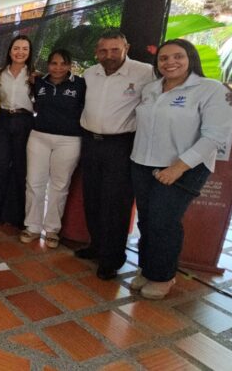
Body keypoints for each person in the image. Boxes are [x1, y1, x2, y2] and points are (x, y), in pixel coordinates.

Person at [130, 39, 232, 299]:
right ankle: (148, 266)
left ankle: (163, 276)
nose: (170, 62)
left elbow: (215, 136)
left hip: (185, 167)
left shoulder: (210, 89)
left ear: (191, 58)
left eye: (178, 56)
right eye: (164, 58)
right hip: (143, 162)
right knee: (147, 219)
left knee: (164, 221)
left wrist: (178, 167)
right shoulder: (152, 88)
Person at [78, 30, 155, 280]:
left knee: (116, 202)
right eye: (103, 51)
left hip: (120, 145)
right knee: (92, 197)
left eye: (114, 50)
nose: (108, 55)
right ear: (96, 52)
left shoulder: (145, 73)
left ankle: (112, 258)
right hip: (90, 142)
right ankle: (96, 246)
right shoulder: (91, 73)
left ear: (126, 47)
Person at [21, 49, 86, 248]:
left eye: (63, 64)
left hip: (69, 140)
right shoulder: (39, 82)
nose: (58, 68)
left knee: (59, 185)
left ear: (69, 66)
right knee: (34, 182)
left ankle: (52, 229)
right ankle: (32, 226)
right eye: (54, 63)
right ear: (48, 65)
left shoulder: (80, 84)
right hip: (39, 137)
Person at [0, 35, 35, 228]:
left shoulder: (34, 75)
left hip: (24, 122)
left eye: (25, 48)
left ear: (29, 52)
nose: (20, 52)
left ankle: (17, 215)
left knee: (20, 168)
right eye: (16, 48)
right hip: (4, 120)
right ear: (9, 51)